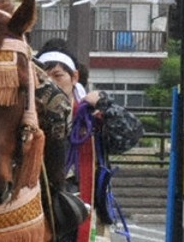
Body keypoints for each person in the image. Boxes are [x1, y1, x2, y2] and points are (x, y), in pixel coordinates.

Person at [37, 44, 143, 242]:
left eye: (58, 76)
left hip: (87, 213)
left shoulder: (93, 119)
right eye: (43, 78)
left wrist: (105, 104)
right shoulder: (27, 123)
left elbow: (132, 135)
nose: (50, 84)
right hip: (39, 215)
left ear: (74, 77)